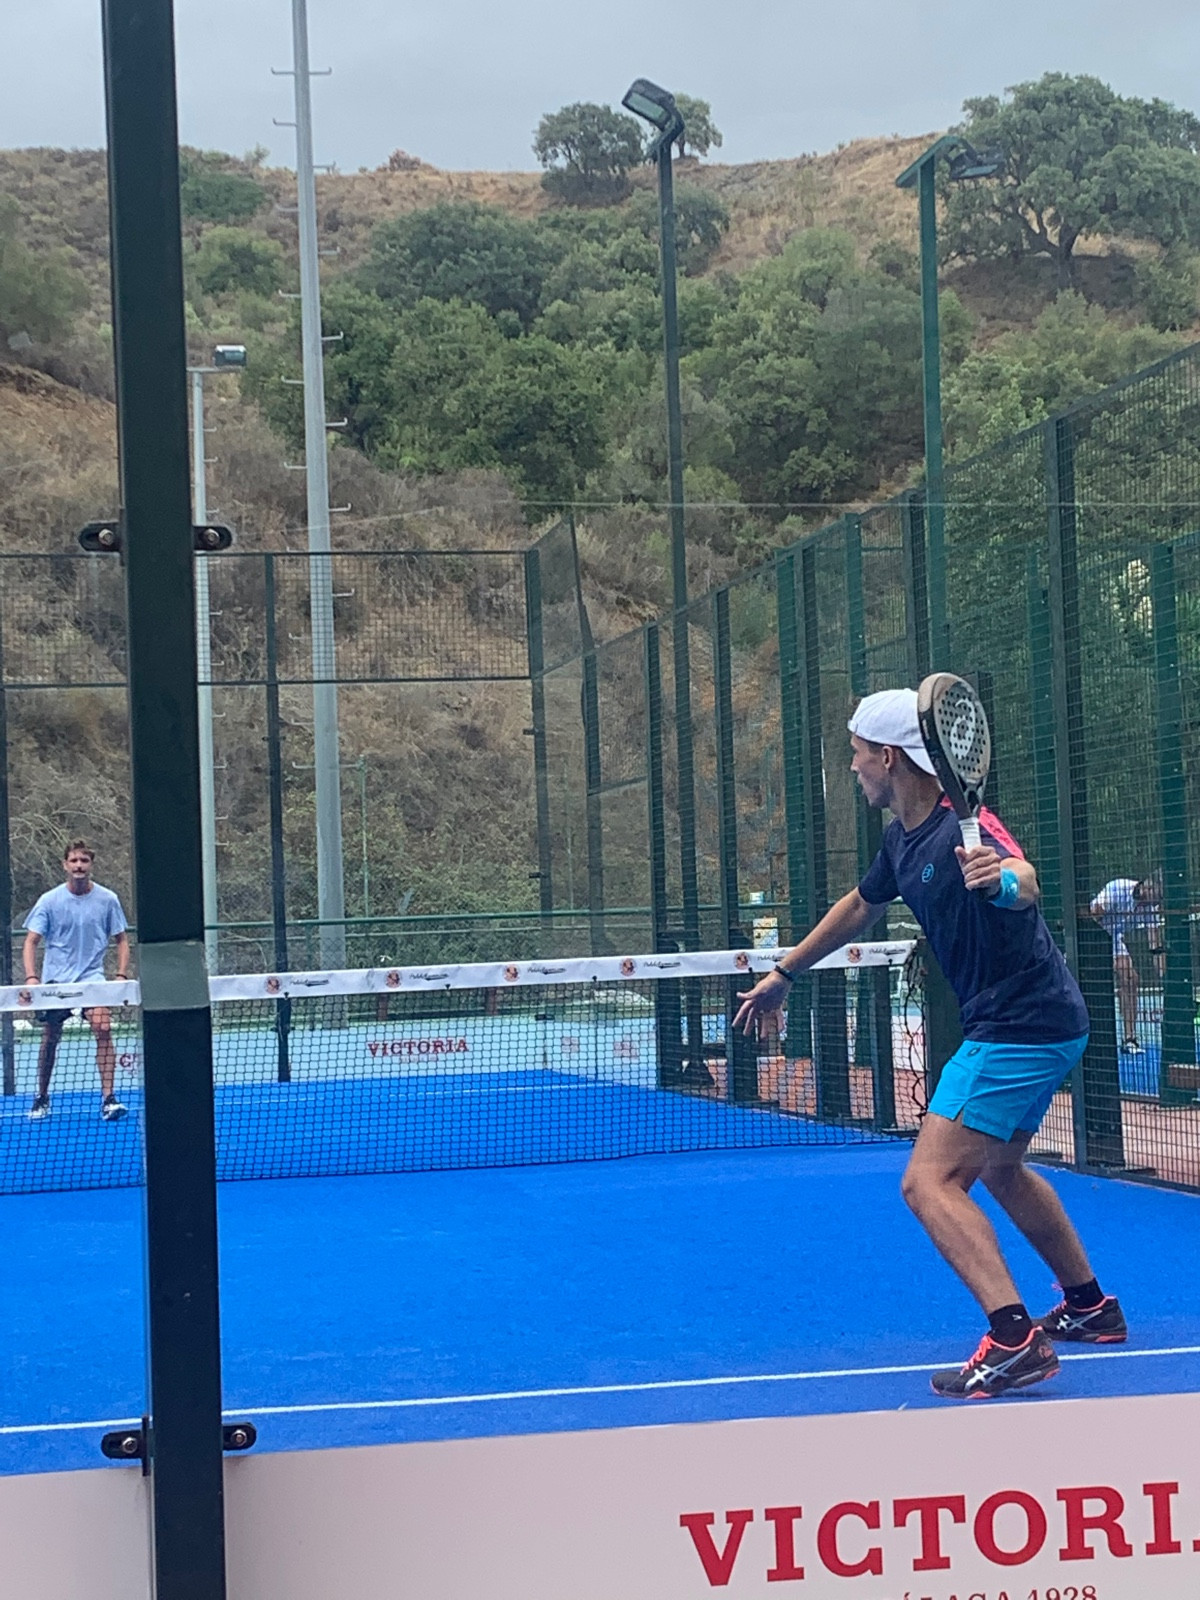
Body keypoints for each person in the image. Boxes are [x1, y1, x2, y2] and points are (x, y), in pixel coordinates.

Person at [734, 688, 1126, 1400]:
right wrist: (784, 973)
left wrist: (1001, 881)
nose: (853, 766)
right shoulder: (902, 839)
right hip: (1046, 1023)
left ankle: (1014, 1340)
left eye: (858, 754)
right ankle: (1090, 1307)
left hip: (1017, 1028)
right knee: (1001, 1168)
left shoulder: (961, 830)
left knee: (928, 1182)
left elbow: (1023, 879)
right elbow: (861, 905)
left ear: (888, 758)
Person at [23, 839, 131, 1122]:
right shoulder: (49, 901)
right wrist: (32, 977)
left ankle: (109, 1099)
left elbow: (121, 940)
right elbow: (31, 941)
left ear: (91, 865)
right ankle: (41, 1097)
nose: (79, 866)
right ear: (65, 865)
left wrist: (120, 975)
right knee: (51, 1037)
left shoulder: (108, 899)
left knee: (103, 1028)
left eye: (84, 860)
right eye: (74, 860)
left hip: (92, 980)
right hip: (56, 983)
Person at [1090, 873, 1163, 1053]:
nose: (1156, 900)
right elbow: (1094, 915)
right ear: (1148, 886)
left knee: (1130, 979)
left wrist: (1164, 974)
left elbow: (1155, 943)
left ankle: (1129, 1039)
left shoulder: (1151, 907)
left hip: (1114, 938)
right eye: (1156, 893)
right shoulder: (1118, 887)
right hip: (1093, 934)